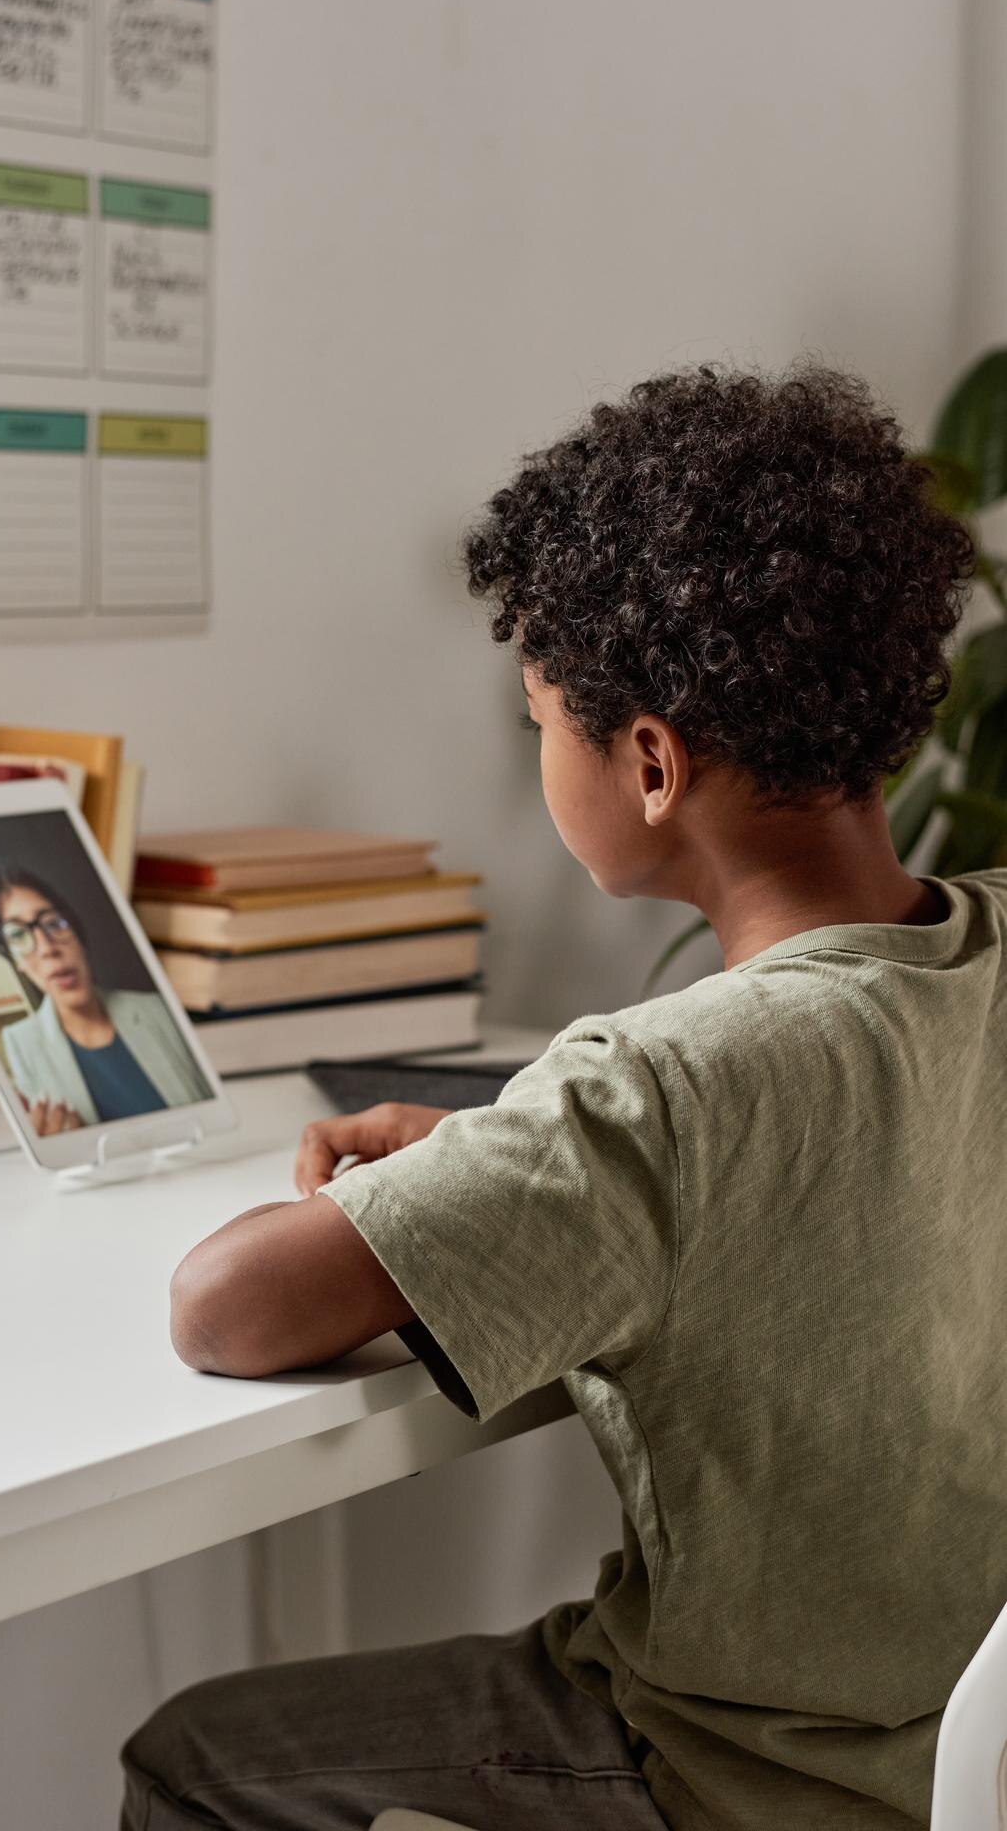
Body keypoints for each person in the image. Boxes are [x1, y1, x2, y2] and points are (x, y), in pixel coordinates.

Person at [122, 364, 1007, 1831]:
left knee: (196, 1758)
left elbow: (227, 1305)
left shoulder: (656, 1094)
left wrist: (468, 1169)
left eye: (540, 717)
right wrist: (503, 1150)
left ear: (648, 761)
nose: (537, 752)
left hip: (747, 1776)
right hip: (956, 1763)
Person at [0, 867, 207, 1134]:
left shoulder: (158, 1009)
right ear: (16, 962)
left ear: (79, 938)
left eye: (54, 923)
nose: (47, 948)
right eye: (18, 936)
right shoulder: (22, 1045)